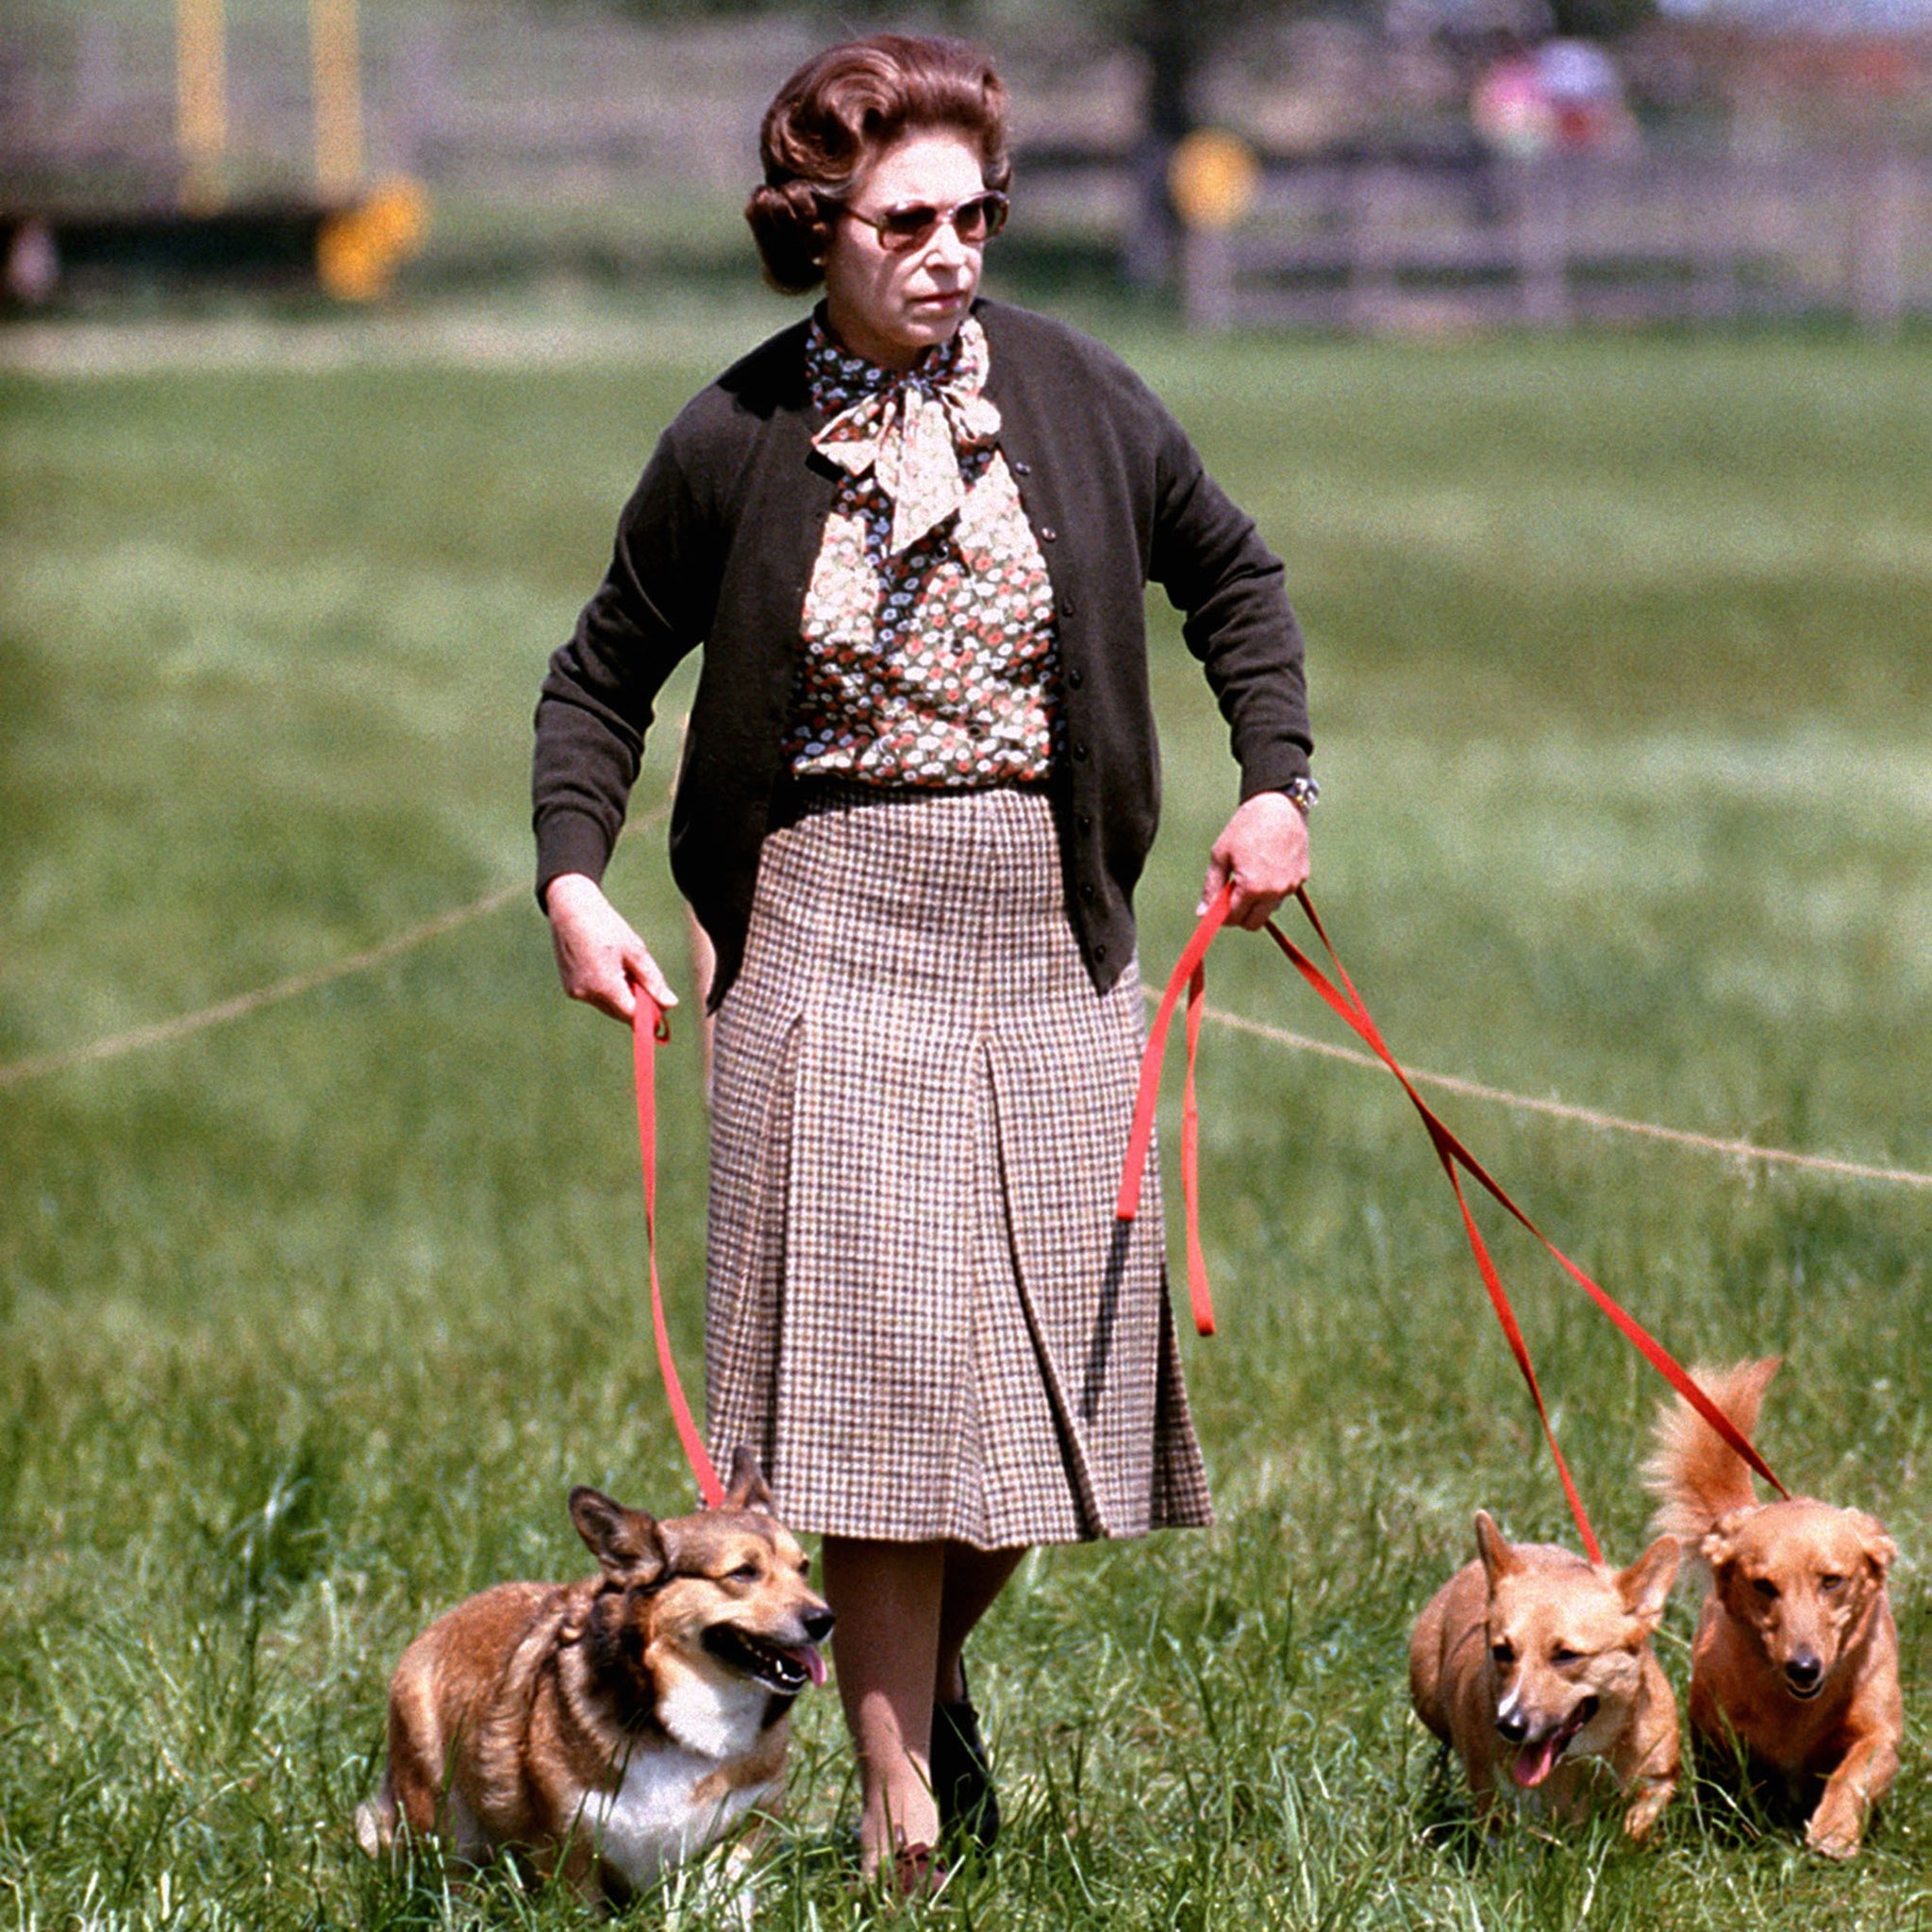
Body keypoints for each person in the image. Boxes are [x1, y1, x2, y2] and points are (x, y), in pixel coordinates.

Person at [531, 33, 1314, 1885]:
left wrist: (1278, 784)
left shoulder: (1078, 394)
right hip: (826, 925)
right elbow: (597, 681)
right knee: (884, 1400)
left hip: (1053, 927)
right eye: (905, 220)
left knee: (1042, 1413)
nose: (949, 250)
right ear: (819, 227)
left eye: (975, 215)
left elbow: (1236, 580)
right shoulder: (728, 441)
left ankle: (916, 1683)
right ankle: (902, 1835)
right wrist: (576, 884)